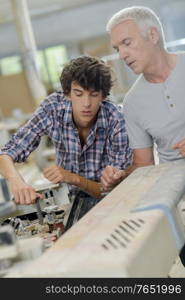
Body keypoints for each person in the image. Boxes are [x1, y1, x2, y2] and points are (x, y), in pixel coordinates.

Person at [0, 55, 132, 221]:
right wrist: (16, 182)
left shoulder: (116, 119)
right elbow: (6, 153)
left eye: (93, 94)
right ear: (67, 94)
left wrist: (72, 178)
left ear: (104, 96)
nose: (86, 104)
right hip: (69, 200)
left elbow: (113, 190)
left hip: (110, 202)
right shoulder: (53, 108)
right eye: (78, 94)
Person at [101, 6, 185, 191]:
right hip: (177, 196)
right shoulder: (132, 103)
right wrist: (121, 175)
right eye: (117, 48)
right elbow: (144, 164)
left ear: (153, 35)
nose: (122, 54)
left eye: (127, 43)